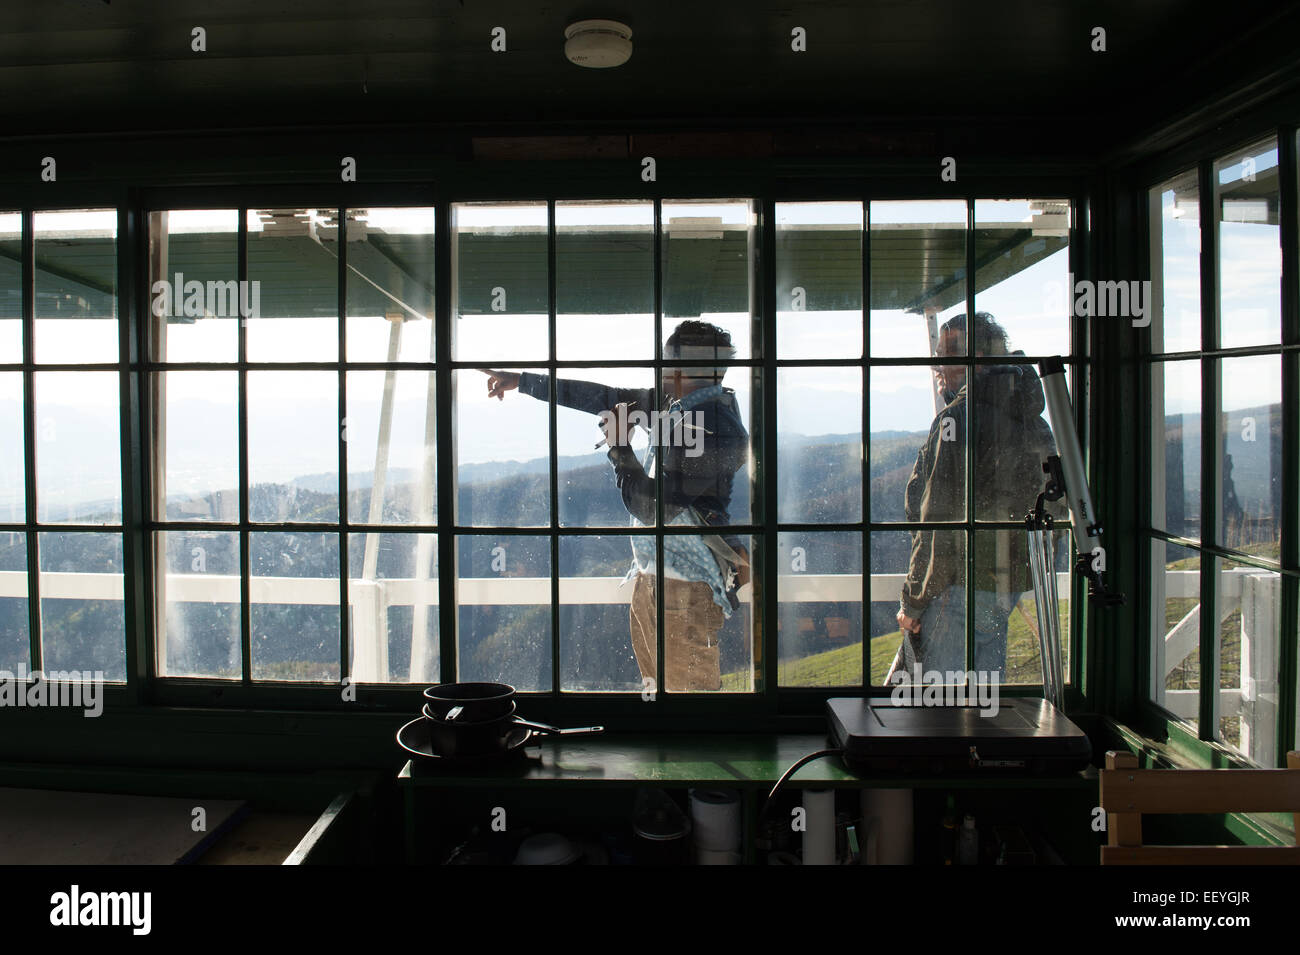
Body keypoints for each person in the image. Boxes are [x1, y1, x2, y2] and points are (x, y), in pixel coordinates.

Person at [481, 320, 749, 692]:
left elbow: (655, 511)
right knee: (661, 696)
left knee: (691, 708)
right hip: (656, 579)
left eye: (667, 359)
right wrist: (523, 381)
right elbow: (605, 397)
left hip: (686, 590)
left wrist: (619, 448)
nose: (661, 366)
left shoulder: (715, 426)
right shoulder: (679, 405)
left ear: (683, 368)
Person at [893, 312, 1056, 683]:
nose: (937, 365)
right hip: (1004, 583)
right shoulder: (1031, 419)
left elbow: (938, 521)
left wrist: (914, 601)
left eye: (947, 355)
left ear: (977, 361)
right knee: (982, 700)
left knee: (934, 705)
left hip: (958, 583)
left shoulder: (959, 419)